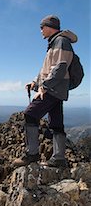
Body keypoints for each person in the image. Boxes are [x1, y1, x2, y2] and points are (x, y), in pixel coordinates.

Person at [13, 14, 78, 168]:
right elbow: (47, 69)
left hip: (53, 89)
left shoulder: (61, 42)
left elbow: (60, 68)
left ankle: (32, 154)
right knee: (56, 124)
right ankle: (59, 159)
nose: (41, 31)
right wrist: (35, 83)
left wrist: (44, 87)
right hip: (57, 89)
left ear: (49, 27)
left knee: (30, 114)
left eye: (42, 27)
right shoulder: (55, 42)